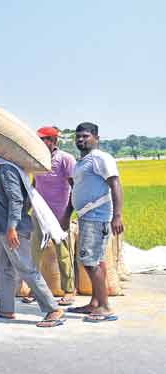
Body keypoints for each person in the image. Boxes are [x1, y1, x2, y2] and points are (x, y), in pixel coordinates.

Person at [0, 146, 66, 327]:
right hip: (4, 227)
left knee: (26, 268)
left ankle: (53, 309)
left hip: (13, 229)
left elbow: (16, 200)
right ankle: (6, 309)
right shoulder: (3, 170)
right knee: (3, 267)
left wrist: (12, 227)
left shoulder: (6, 171)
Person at [66, 122, 123, 322]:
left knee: (90, 262)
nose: (80, 140)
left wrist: (117, 216)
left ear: (96, 137)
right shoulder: (81, 162)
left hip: (97, 217)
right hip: (85, 217)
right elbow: (76, 191)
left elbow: (114, 184)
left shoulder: (100, 158)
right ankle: (95, 303)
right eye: (78, 137)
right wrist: (67, 215)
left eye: (85, 136)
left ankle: (106, 307)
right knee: (96, 260)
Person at [27, 126, 77, 305]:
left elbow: (74, 187)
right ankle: (35, 289)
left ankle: (69, 291)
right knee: (34, 253)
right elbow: (35, 183)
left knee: (63, 253)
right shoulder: (36, 160)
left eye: (43, 140)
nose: (39, 143)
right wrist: (27, 207)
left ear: (53, 141)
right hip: (39, 213)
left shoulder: (65, 159)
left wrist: (67, 215)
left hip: (59, 214)